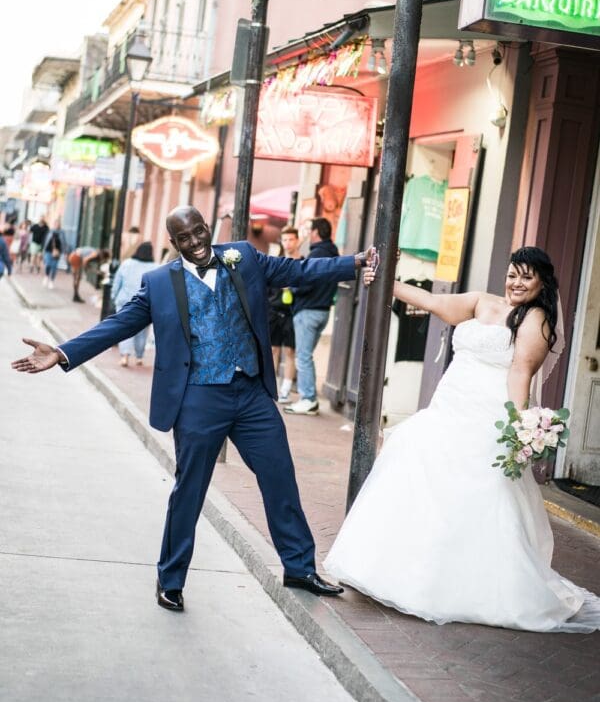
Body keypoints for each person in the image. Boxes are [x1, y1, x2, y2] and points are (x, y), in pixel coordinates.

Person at [12, 206, 375, 613]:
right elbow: (118, 325)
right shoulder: (159, 284)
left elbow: (298, 271)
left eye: (199, 232)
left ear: (207, 228)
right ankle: (171, 579)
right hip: (199, 398)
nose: (196, 242)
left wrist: (354, 262)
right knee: (190, 490)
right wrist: (63, 352)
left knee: (280, 477)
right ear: (174, 242)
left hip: (251, 392)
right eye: (185, 238)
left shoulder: (244, 256)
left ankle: (299, 567)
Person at [324, 246, 600, 633]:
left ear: (542, 284)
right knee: (416, 468)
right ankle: (398, 571)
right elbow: (434, 302)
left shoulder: (536, 320)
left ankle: (463, 587)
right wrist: (387, 282)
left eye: (526, 277)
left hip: (487, 416)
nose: (516, 283)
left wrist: (518, 429)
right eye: (512, 274)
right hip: (448, 407)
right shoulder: (481, 302)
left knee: (474, 495)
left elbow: (519, 374)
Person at [284, 217, 340, 416]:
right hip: (323, 311)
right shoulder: (334, 253)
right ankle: (310, 399)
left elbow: (306, 281)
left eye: (310, 231)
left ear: (316, 232)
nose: (308, 234)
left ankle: (308, 398)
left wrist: (292, 286)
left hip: (308, 310)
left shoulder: (316, 253)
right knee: (306, 355)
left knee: (303, 356)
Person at [268, 226, 301, 403]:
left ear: (297, 241)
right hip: (274, 310)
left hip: (293, 312)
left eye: (291, 239)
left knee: (290, 351)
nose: (288, 243)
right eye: (285, 239)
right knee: (273, 350)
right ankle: (271, 388)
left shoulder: (302, 262)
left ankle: (286, 389)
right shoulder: (277, 262)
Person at [112, 242, 158, 366]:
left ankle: (125, 356)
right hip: (145, 303)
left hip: (125, 301)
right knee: (142, 331)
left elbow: (117, 282)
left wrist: (113, 295)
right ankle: (139, 357)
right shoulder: (155, 267)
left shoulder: (126, 264)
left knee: (124, 329)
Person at [42, 220, 65, 289]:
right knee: (48, 264)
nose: (57, 225)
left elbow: (64, 242)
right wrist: (43, 249)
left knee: (54, 267)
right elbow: (45, 240)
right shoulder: (50, 231)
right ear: (54, 225)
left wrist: (64, 252)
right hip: (48, 250)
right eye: (56, 224)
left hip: (57, 252)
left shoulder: (62, 232)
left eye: (58, 224)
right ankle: (46, 276)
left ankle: (51, 281)